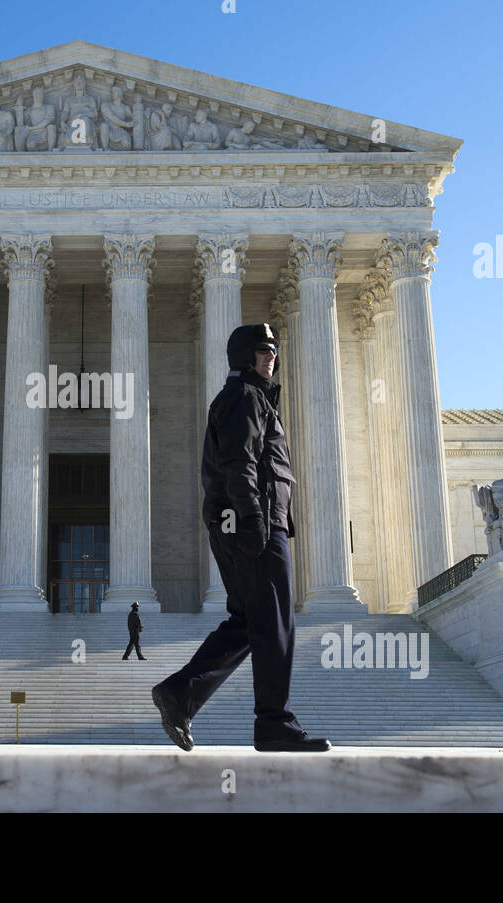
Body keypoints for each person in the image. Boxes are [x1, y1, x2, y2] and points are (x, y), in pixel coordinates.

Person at [152, 323, 330, 753]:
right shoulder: (245, 398)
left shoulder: (253, 400)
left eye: (273, 349)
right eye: (263, 350)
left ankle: (181, 695)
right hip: (252, 526)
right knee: (274, 624)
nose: (271, 356)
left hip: (250, 524)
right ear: (244, 356)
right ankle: (274, 722)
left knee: (251, 623)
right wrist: (254, 520)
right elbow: (240, 462)